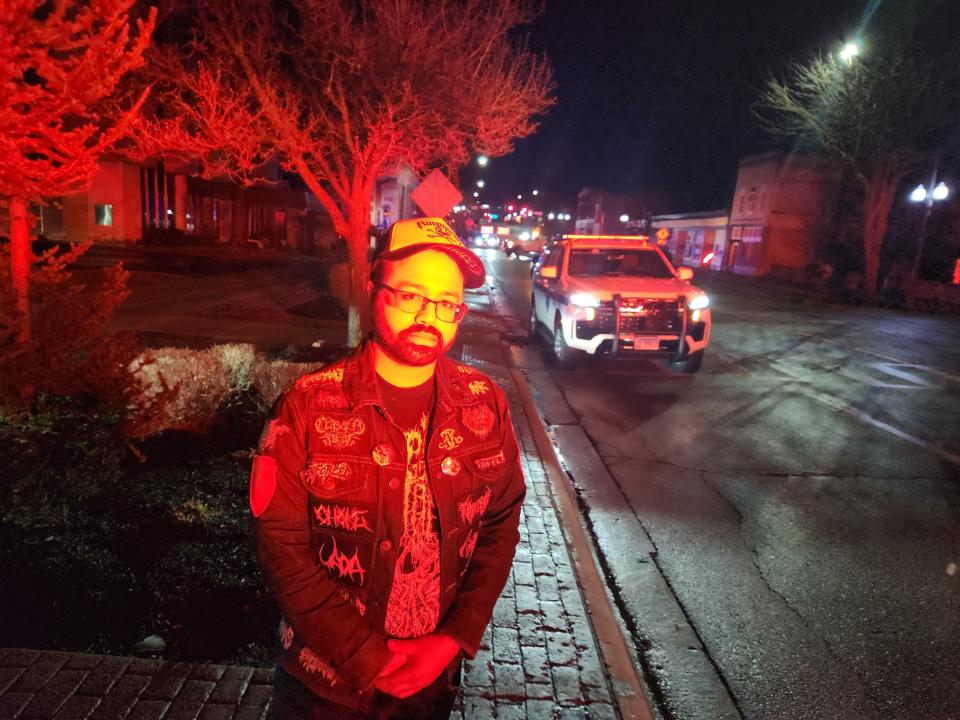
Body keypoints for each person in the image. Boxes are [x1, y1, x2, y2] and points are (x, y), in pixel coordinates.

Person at [249, 217, 527, 719]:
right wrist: (367, 657)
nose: (429, 317)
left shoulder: (485, 403)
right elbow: (280, 545)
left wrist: (455, 637)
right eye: (412, 296)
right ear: (374, 288)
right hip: (321, 690)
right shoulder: (308, 406)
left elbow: (501, 522)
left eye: (446, 304)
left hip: (431, 686)